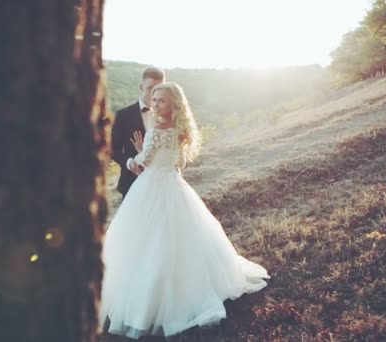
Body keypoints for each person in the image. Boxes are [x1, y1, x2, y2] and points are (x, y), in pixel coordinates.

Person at [100, 82, 270, 340]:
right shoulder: (180, 129)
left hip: (152, 185)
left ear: (174, 104)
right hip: (173, 182)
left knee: (147, 237)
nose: (156, 104)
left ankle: (152, 298)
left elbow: (141, 163)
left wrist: (135, 156)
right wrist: (146, 154)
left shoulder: (156, 129)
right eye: (154, 99)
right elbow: (174, 161)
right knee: (180, 234)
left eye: (162, 101)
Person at [111, 67, 165, 198]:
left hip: (161, 185)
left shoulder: (167, 117)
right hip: (132, 184)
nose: (154, 94)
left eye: (159, 89)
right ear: (141, 87)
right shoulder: (123, 115)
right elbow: (112, 148)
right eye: (150, 88)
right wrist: (129, 163)